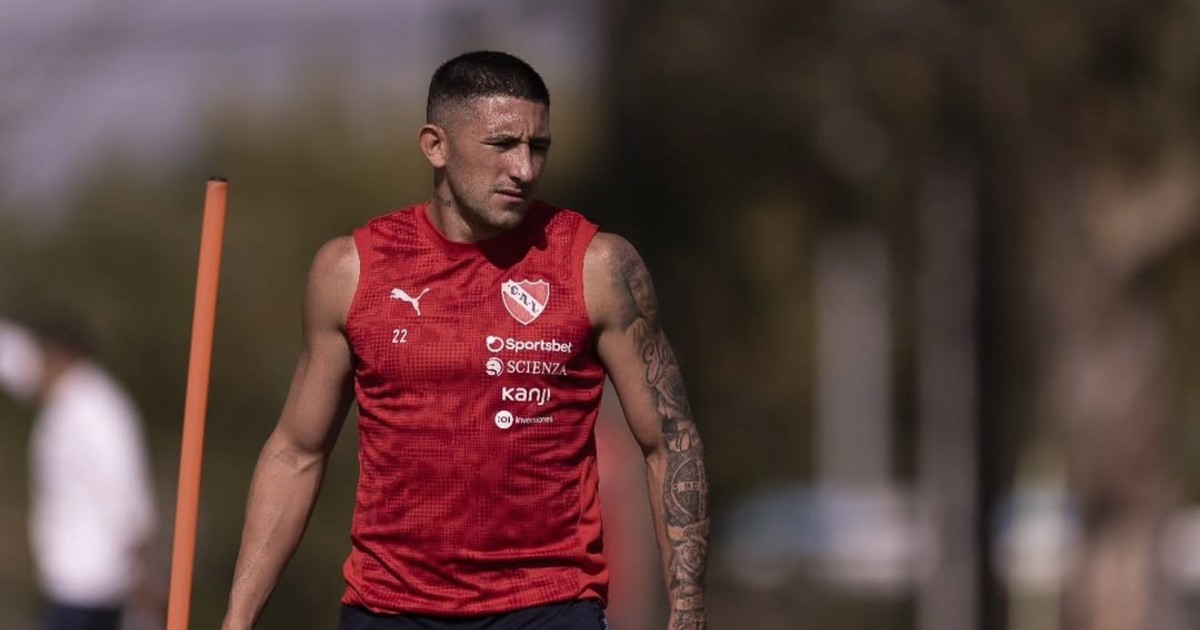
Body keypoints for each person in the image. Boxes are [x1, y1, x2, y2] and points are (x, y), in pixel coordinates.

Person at [220, 50, 710, 630]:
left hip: (547, 606)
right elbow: (297, 453)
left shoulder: (597, 266)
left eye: (538, 147)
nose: (524, 168)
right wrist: (237, 620)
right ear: (436, 145)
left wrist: (687, 614)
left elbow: (670, 441)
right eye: (502, 145)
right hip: (390, 609)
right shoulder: (351, 271)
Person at [0, 310, 158, 630]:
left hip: (92, 580)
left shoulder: (95, 409)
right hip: (68, 577)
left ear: (55, 355)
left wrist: (140, 569)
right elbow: (11, 359)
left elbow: (123, 488)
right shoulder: (67, 399)